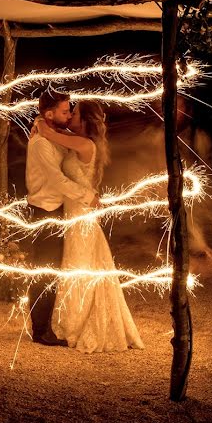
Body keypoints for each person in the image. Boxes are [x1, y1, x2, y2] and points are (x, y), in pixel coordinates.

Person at [35, 100, 144, 353]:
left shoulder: (85, 144)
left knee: (79, 266)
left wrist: (40, 121)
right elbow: (56, 134)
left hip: (80, 216)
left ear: (84, 120)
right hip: (75, 214)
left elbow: (50, 133)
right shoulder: (78, 139)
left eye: (75, 113)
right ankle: (69, 318)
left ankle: (74, 324)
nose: (70, 115)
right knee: (79, 265)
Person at [25, 89, 100, 346]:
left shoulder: (55, 134)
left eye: (71, 112)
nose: (69, 116)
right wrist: (86, 195)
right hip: (45, 211)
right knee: (44, 271)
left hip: (61, 209)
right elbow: (57, 181)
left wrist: (42, 126)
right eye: (65, 111)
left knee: (58, 268)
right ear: (49, 114)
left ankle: (52, 322)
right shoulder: (40, 143)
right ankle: (40, 330)